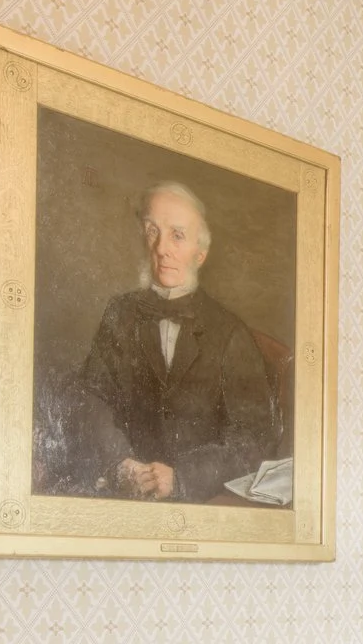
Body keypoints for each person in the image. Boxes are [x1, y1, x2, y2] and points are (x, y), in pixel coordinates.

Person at [66, 182, 278, 503]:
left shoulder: (230, 332)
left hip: (198, 499)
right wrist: (118, 463)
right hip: (123, 491)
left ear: (201, 253)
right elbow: (91, 398)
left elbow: (254, 435)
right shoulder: (120, 313)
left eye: (177, 235)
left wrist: (181, 478)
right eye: (153, 231)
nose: (162, 248)